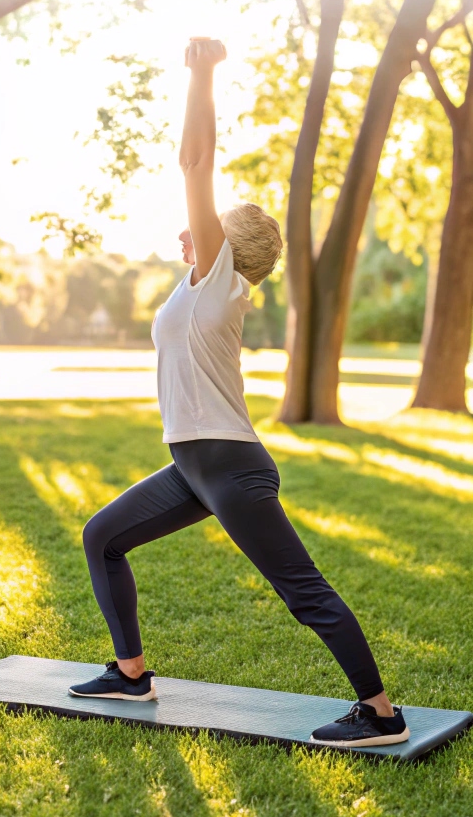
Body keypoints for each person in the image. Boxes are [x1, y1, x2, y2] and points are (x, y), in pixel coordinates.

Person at [68, 38, 409, 749]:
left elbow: (195, 161)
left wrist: (201, 74)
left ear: (226, 240)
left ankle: (379, 713)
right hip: (194, 467)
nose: (189, 227)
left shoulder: (222, 281)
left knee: (303, 592)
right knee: (102, 536)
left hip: (230, 467)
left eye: (207, 224)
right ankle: (131, 672)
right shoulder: (197, 286)